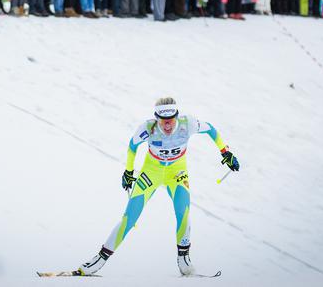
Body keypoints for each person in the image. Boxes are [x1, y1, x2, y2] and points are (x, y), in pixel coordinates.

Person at [78, 97, 240, 276]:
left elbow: (211, 130)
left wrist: (226, 152)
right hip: (151, 173)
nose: (167, 126)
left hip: (176, 174)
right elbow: (132, 146)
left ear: (177, 117)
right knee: (129, 218)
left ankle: (184, 258)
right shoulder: (148, 128)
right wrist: (129, 172)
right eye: (163, 122)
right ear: (157, 119)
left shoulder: (189, 124)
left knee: (183, 213)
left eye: (171, 121)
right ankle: (100, 259)